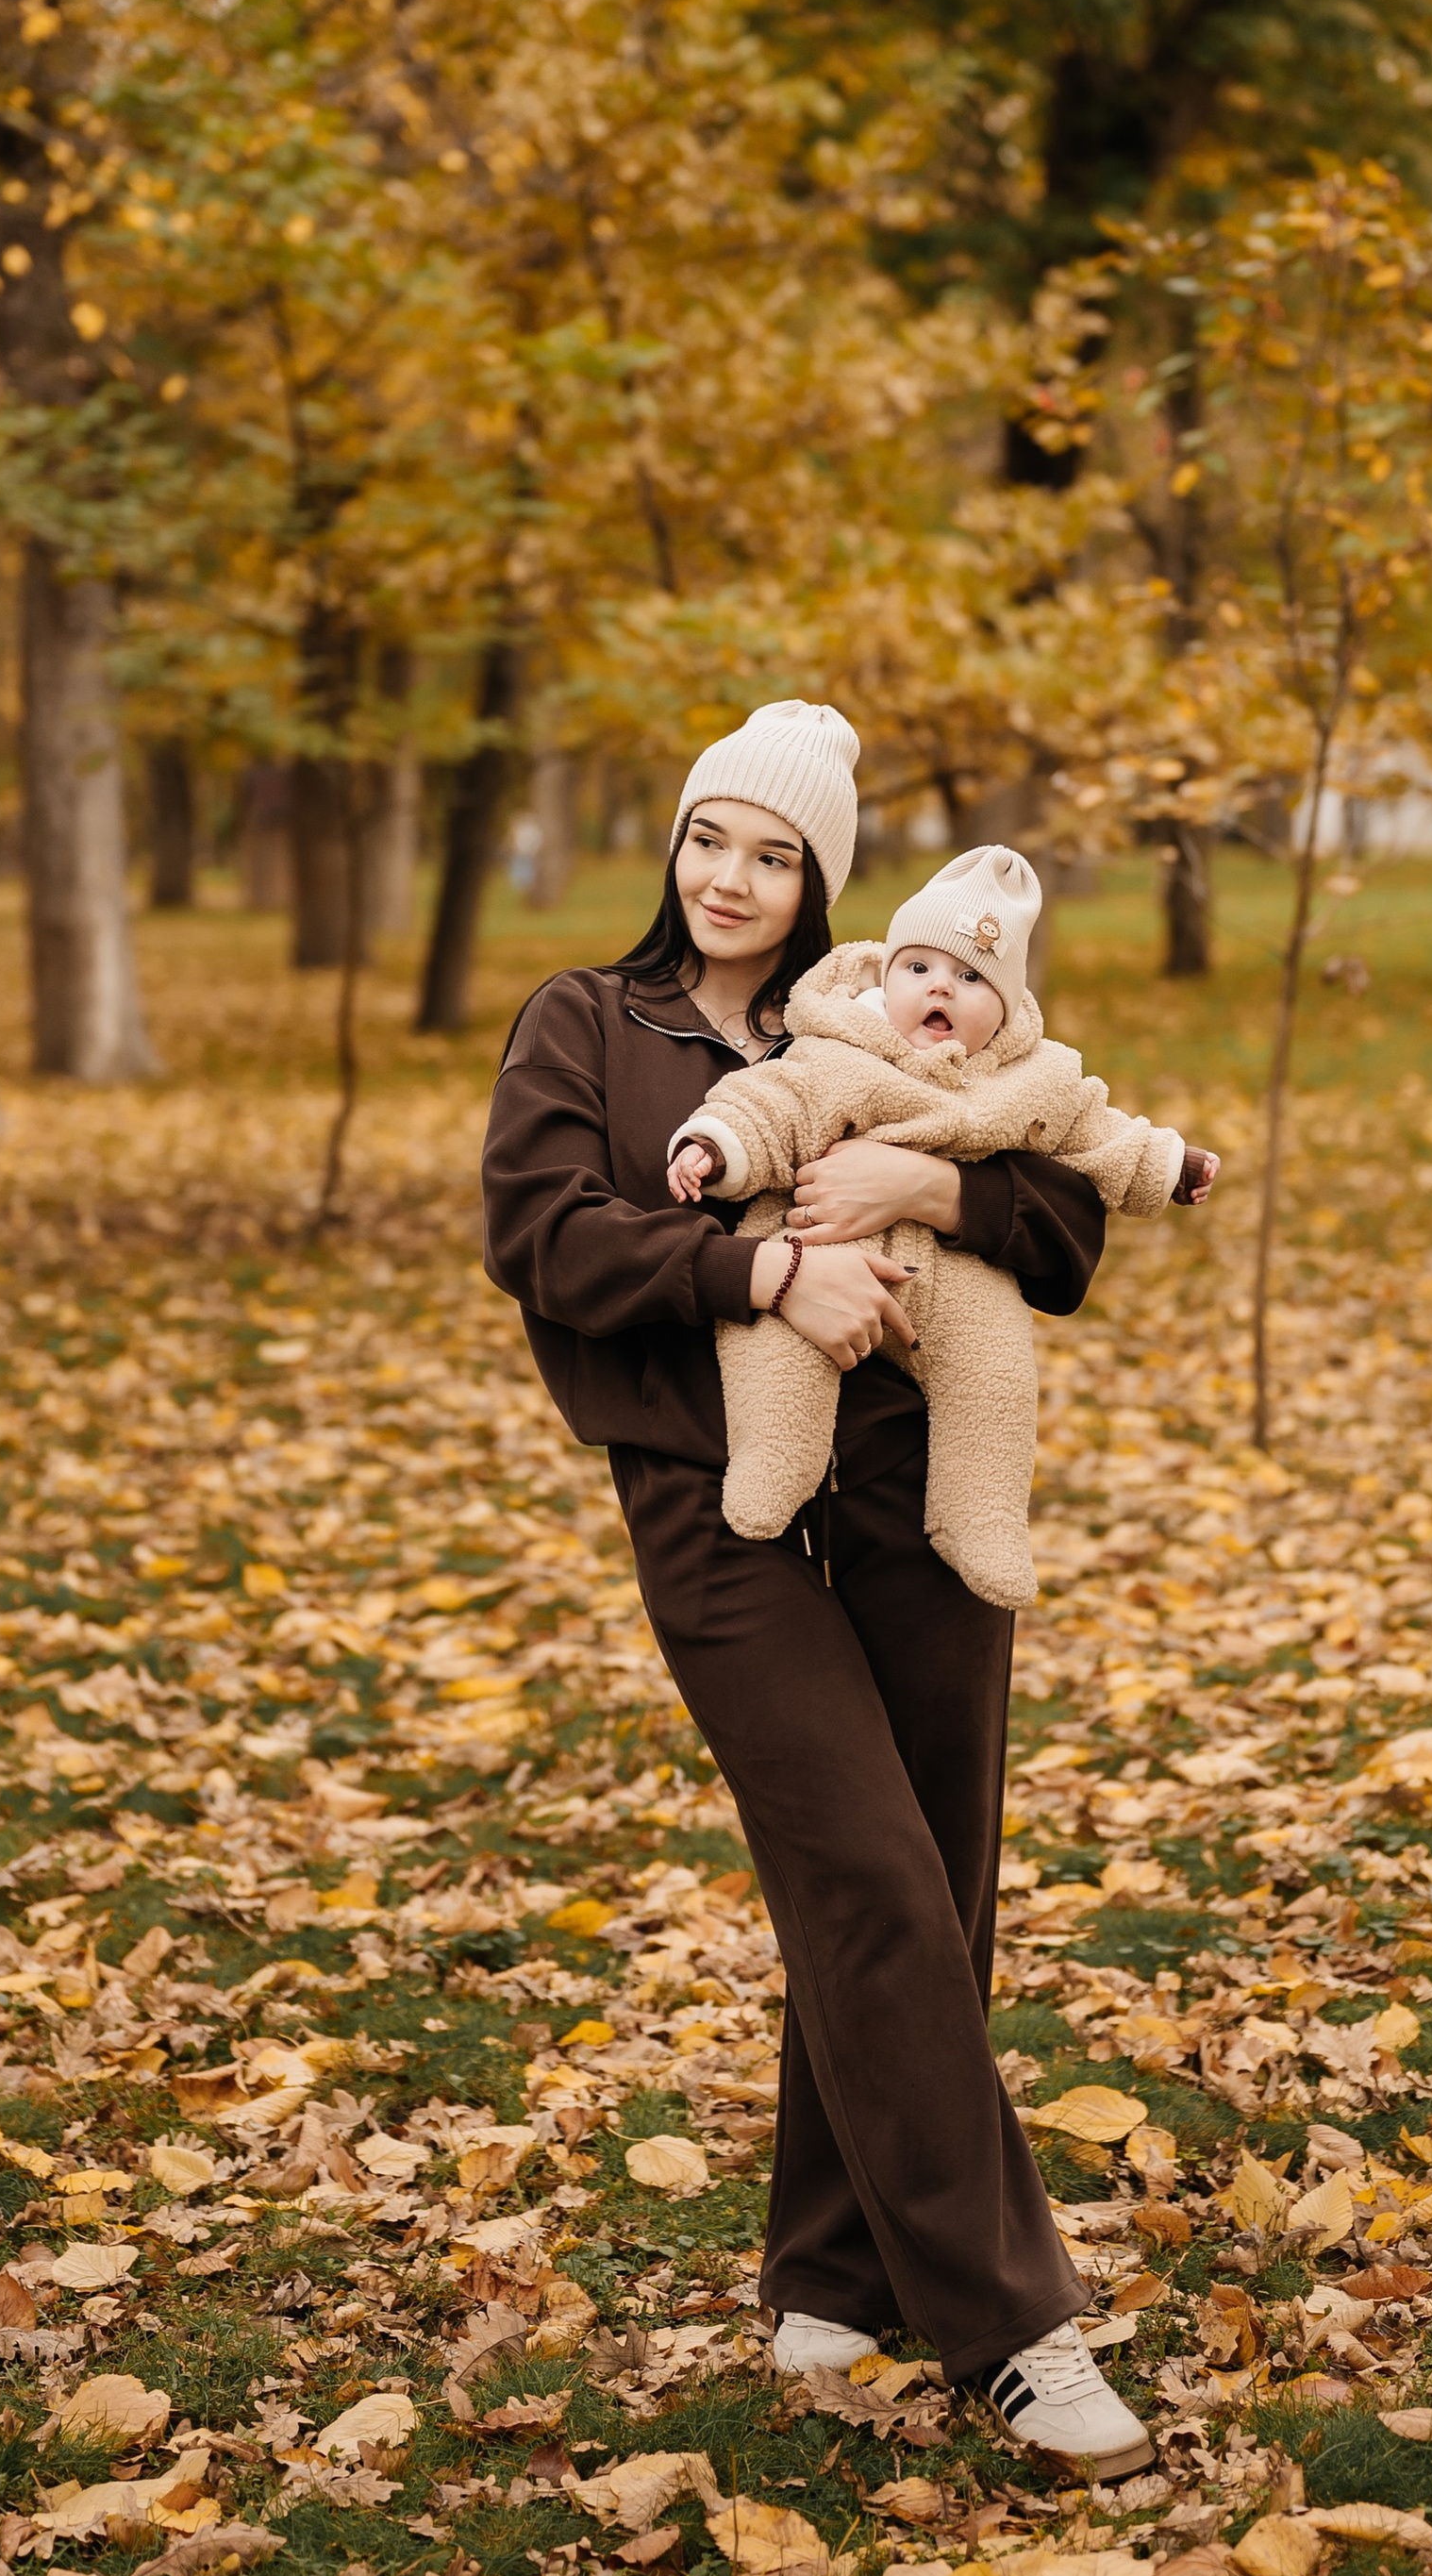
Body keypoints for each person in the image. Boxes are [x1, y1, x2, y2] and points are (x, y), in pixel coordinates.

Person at [481, 699, 1154, 2477]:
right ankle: (1012, 2324)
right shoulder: (587, 1020)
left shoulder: (894, 1002)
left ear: (823, 883)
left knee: (928, 1880)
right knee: (861, 1867)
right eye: (713, 836)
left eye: (777, 855)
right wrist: (766, 1265)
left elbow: (1069, 1219)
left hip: (922, 1494)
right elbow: (540, 1235)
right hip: (722, 1504)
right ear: (676, 842)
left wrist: (924, 1171)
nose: (733, 876)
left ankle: (833, 2266)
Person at [663, 843, 1218, 1604]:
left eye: (969, 979)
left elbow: (1096, 1131)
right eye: (918, 969)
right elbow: (768, 1106)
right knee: (776, 1352)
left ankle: (979, 1518)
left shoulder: (1032, 1076)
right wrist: (712, 1148)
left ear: (1008, 1006)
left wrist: (1169, 1164)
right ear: (885, 975)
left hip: (954, 1278)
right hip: (821, 1241)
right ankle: (774, 1465)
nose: (940, 990)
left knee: (995, 1377)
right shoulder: (836, 1052)